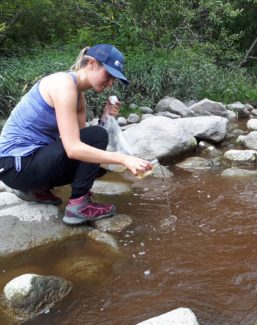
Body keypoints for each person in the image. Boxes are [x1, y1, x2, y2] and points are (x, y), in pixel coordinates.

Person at [0, 44, 152, 225]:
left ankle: (34, 189)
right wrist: (123, 159)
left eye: (114, 79)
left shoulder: (79, 97)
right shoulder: (62, 84)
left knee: (98, 162)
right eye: (109, 74)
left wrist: (106, 117)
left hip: (24, 166)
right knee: (98, 140)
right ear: (92, 63)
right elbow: (74, 149)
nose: (110, 83)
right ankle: (78, 206)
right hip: (15, 164)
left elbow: (82, 145)